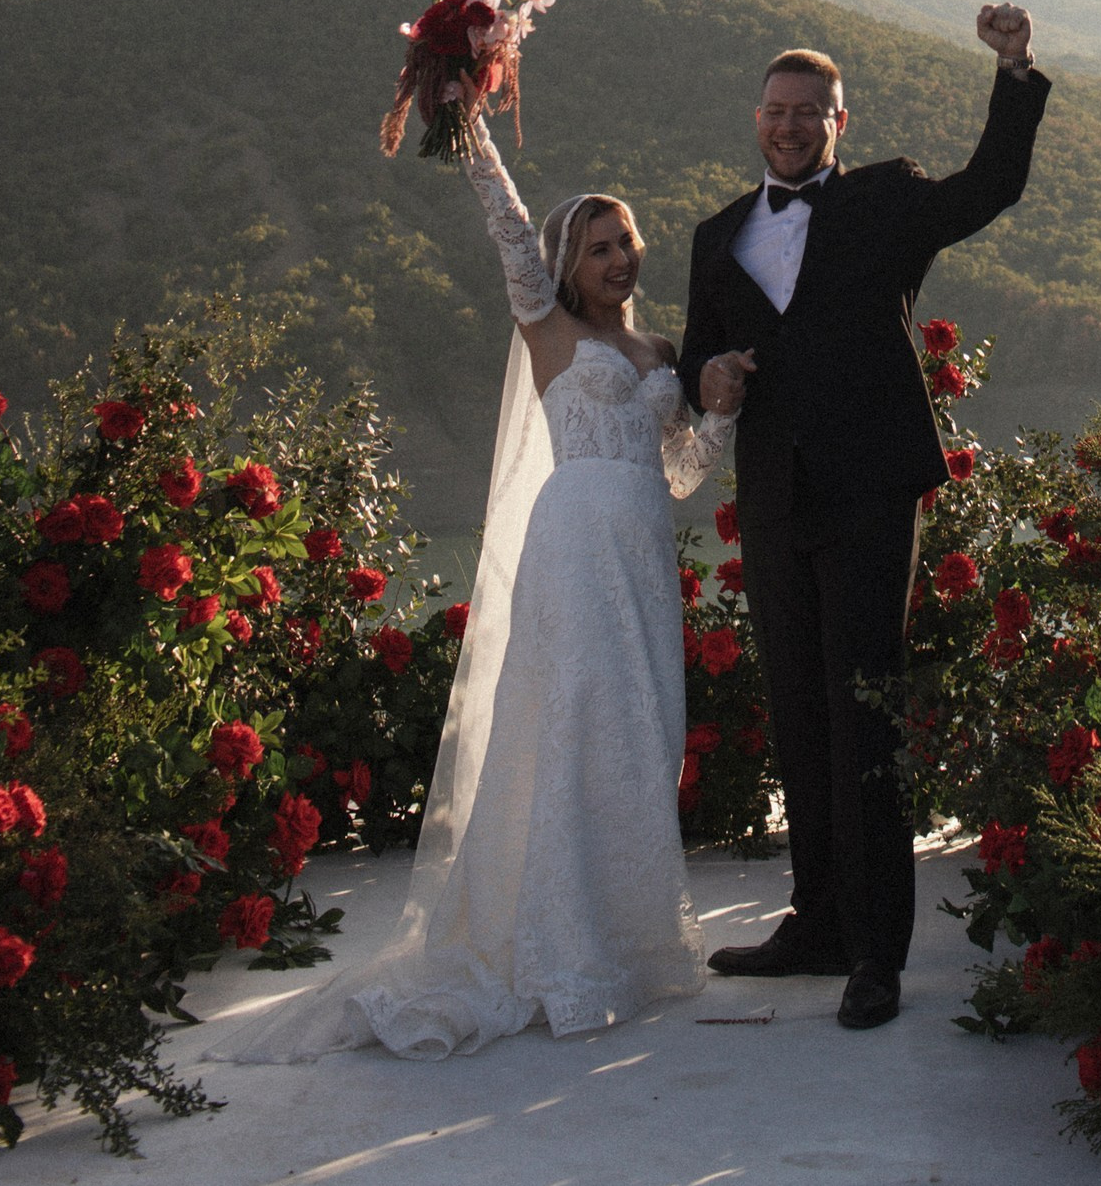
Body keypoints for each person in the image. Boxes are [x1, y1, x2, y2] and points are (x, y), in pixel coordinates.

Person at [217, 113, 752, 1062]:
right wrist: (467, 114)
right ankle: (558, 949)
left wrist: (717, 415)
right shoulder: (548, 330)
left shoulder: (661, 351)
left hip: (638, 553)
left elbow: (678, 474)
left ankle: (630, 942)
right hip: (572, 546)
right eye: (597, 247)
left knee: (642, 732)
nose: (618, 258)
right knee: (571, 724)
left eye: (625, 240)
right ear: (566, 265)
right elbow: (506, 222)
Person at [678, 5, 1050, 1031]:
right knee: (799, 713)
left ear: (839, 121)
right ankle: (818, 924)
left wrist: (1015, 68)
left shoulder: (886, 200)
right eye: (775, 109)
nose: (790, 124)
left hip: (870, 492)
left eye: (810, 111)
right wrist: (705, 373)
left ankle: (876, 953)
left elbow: (992, 184)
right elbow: (695, 356)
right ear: (757, 118)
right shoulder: (717, 235)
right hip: (774, 497)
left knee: (864, 716)